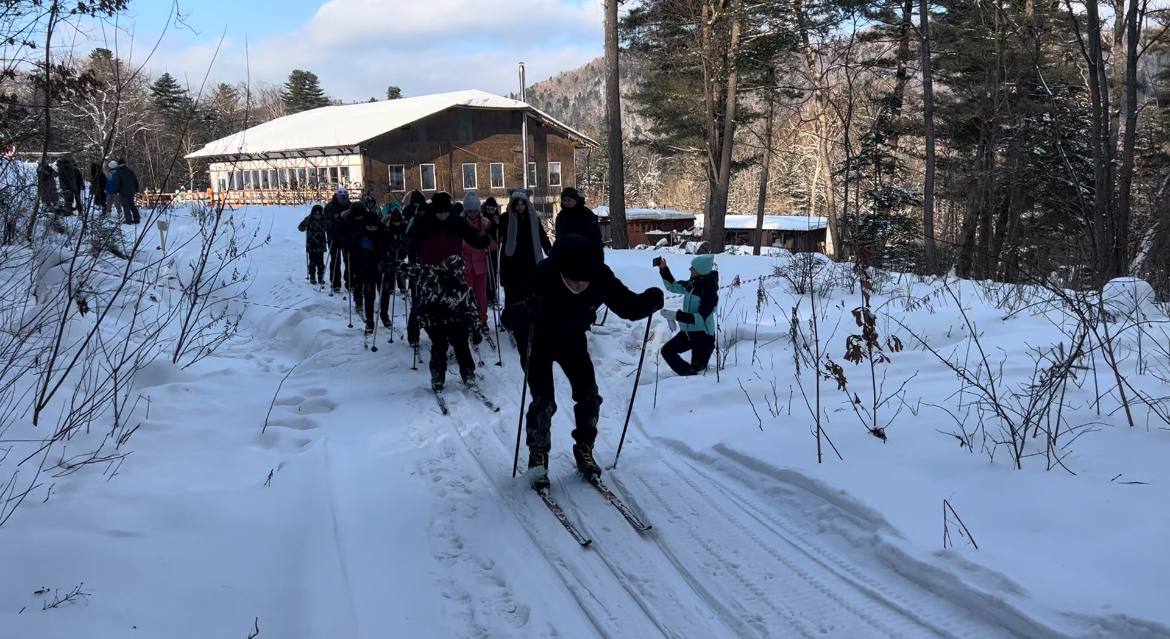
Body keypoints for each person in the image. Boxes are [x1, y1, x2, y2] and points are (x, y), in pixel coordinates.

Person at [502, 234, 664, 488]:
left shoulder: (600, 276)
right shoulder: (543, 274)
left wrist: (649, 302)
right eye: (571, 281)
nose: (578, 286)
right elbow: (507, 316)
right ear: (560, 270)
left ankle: (584, 448)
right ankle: (538, 456)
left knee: (589, 396)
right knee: (543, 402)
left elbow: (627, 306)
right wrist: (525, 309)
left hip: (572, 339)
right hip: (537, 340)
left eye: (583, 282)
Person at [405, 191, 492, 346]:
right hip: (430, 270)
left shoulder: (457, 222)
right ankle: (414, 333)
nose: (443, 216)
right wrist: (409, 247)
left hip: (453, 270)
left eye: (445, 212)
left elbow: (471, 236)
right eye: (440, 213)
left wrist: (482, 241)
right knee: (423, 304)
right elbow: (410, 238)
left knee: (453, 306)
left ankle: (451, 339)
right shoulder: (424, 221)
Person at [398, 255, 484, 390]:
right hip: (433, 318)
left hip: (455, 319)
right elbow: (411, 269)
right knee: (440, 343)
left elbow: (473, 311)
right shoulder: (431, 275)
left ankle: (468, 373)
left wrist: (476, 329)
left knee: (461, 341)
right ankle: (438, 376)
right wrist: (394, 265)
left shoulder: (464, 289)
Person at [499, 189, 552, 368]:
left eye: (523, 203)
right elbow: (497, 234)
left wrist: (549, 250)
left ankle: (531, 322)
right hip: (512, 262)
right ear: (512, 205)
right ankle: (513, 323)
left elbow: (542, 236)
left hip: (531, 261)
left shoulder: (533, 217)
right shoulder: (506, 218)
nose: (520, 206)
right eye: (517, 204)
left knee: (532, 293)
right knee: (513, 294)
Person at [657, 255, 719, 376]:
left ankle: (689, 384)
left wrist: (676, 315)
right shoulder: (692, 284)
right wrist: (664, 269)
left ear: (701, 271)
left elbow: (701, 319)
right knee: (667, 351)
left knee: (698, 373)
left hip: (703, 337)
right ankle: (685, 377)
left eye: (693, 268)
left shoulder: (709, 292)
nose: (690, 269)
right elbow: (673, 286)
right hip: (688, 333)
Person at [344, 203, 385, 331]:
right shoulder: (349, 221)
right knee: (360, 282)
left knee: (377, 289)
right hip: (360, 261)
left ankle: (382, 313)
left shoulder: (372, 222)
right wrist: (347, 247)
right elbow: (348, 238)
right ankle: (358, 299)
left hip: (375, 264)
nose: (359, 218)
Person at [461, 192, 495, 328]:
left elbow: (493, 246)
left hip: (481, 264)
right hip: (466, 265)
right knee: (468, 294)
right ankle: (469, 318)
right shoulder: (461, 223)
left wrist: (488, 239)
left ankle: (482, 318)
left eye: (475, 210)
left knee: (481, 294)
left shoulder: (485, 223)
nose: (472, 213)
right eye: (469, 211)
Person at [378, 206, 410, 327]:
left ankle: (402, 287)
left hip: (399, 253)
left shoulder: (403, 226)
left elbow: (406, 240)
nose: (396, 223)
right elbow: (385, 240)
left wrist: (402, 248)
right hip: (389, 254)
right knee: (390, 271)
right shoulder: (387, 227)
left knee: (400, 269)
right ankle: (391, 287)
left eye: (398, 221)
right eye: (394, 221)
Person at [554, 187, 602, 255]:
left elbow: (596, 239)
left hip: (584, 255)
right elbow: (558, 237)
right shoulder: (561, 216)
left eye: (568, 200)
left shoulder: (586, 214)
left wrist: (597, 260)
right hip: (565, 255)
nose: (565, 202)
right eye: (564, 200)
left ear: (576, 200)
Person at [323, 188, 351, 293]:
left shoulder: (350, 206)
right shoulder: (330, 207)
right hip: (334, 237)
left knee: (348, 260)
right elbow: (326, 223)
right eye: (341, 198)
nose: (343, 200)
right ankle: (335, 283)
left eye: (345, 197)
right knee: (335, 260)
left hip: (347, 237)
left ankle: (349, 282)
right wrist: (339, 216)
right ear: (337, 197)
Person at [298, 204, 328, 285]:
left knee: (320, 262)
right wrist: (306, 221)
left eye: (319, 214)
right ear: (313, 213)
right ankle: (312, 276)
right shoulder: (309, 219)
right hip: (311, 245)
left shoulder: (323, 220)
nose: (317, 216)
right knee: (312, 262)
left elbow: (328, 228)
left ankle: (320, 277)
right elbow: (300, 228)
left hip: (321, 245)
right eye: (316, 214)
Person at [482, 196, 502, 304]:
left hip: (494, 248)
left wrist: (498, 224)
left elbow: (500, 232)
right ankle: (486, 293)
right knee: (486, 270)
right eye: (489, 209)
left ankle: (493, 293)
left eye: (493, 209)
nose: (491, 211)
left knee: (494, 269)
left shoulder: (497, 218)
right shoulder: (483, 218)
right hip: (485, 248)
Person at [113, 158, 140, 224]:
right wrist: (136, 189)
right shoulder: (130, 171)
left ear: (119, 164)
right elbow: (135, 181)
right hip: (131, 191)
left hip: (123, 192)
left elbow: (117, 182)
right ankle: (137, 219)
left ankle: (128, 220)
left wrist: (115, 190)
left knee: (125, 206)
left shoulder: (118, 172)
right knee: (132, 205)